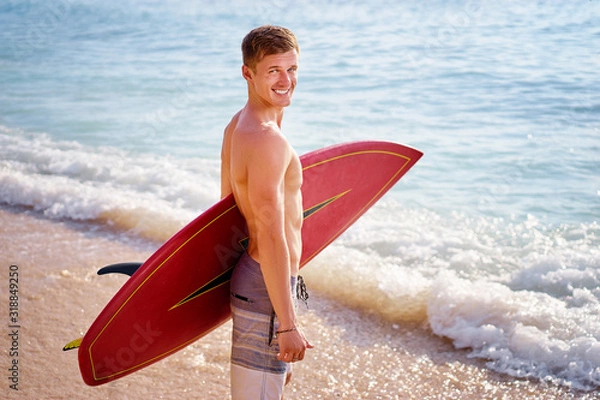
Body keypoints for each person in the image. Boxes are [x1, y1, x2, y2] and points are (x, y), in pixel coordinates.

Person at [220, 25, 313, 400]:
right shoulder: (267, 140)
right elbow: (271, 232)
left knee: (268, 388)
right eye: (273, 70)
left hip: (262, 280)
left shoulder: (238, 125)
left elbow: (225, 214)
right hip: (265, 286)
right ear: (248, 73)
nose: (285, 80)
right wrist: (287, 324)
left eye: (291, 69)